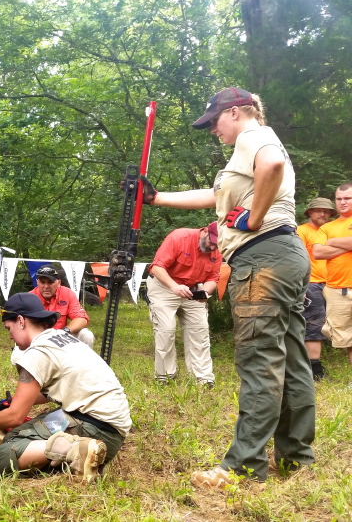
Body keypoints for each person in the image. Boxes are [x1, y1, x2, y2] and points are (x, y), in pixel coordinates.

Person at [138, 87, 315, 488]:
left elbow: (271, 166)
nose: (212, 131)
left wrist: (253, 218)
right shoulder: (245, 151)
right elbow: (215, 197)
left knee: (260, 362)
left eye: (214, 122)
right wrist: (157, 198)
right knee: (291, 359)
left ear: (236, 112)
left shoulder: (254, 136)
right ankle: (296, 457)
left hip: (262, 258)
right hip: (285, 255)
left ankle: (243, 467)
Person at [0, 292, 132, 482]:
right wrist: (14, 401)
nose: (10, 337)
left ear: (21, 321)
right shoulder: (61, 338)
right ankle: (79, 450)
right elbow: (59, 388)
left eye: (8, 328)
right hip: (112, 430)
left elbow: (15, 416)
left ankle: (76, 450)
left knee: (3, 457)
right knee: (16, 435)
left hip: (95, 427)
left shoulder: (36, 353)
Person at [147, 222, 222, 386]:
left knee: (200, 330)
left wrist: (206, 292)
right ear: (204, 232)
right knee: (166, 330)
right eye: (212, 242)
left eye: (217, 244)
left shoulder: (218, 249)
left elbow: (213, 277)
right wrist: (174, 287)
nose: (213, 247)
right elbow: (157, 267)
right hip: (164, 286)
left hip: (192, 290)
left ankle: (203, 378)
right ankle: (165, 377)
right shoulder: (179, 237)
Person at [296, 197, 338, 379]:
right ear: (310, 212)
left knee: (329, 325)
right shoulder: (301, 231)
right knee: (314, 325)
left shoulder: (328, 232)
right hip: (311, 284)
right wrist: (301, 286)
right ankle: (314, 371)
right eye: (319, 210)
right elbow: (297, 260)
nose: (323, 214)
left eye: (327, 211)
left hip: (333, 284)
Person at [313, 183, 352, 367]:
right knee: (347, 338)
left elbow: (325, 248)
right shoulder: (326, 228)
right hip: (338, 290)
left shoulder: (329, 234)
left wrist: (334, 242)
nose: (343, 202)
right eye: (339, 199)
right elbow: (318, 253)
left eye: (347, 198)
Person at [30, 264, 95, 347]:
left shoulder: (67, 293)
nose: (46, 286)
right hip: (37, 339)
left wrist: (65, 331)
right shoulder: (30, 297)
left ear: (58, 282)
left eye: (50, 282)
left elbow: (81, 319)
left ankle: (80, 360)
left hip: (62, 337)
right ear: (37, 282)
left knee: (86, 335)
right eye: (42, 282)